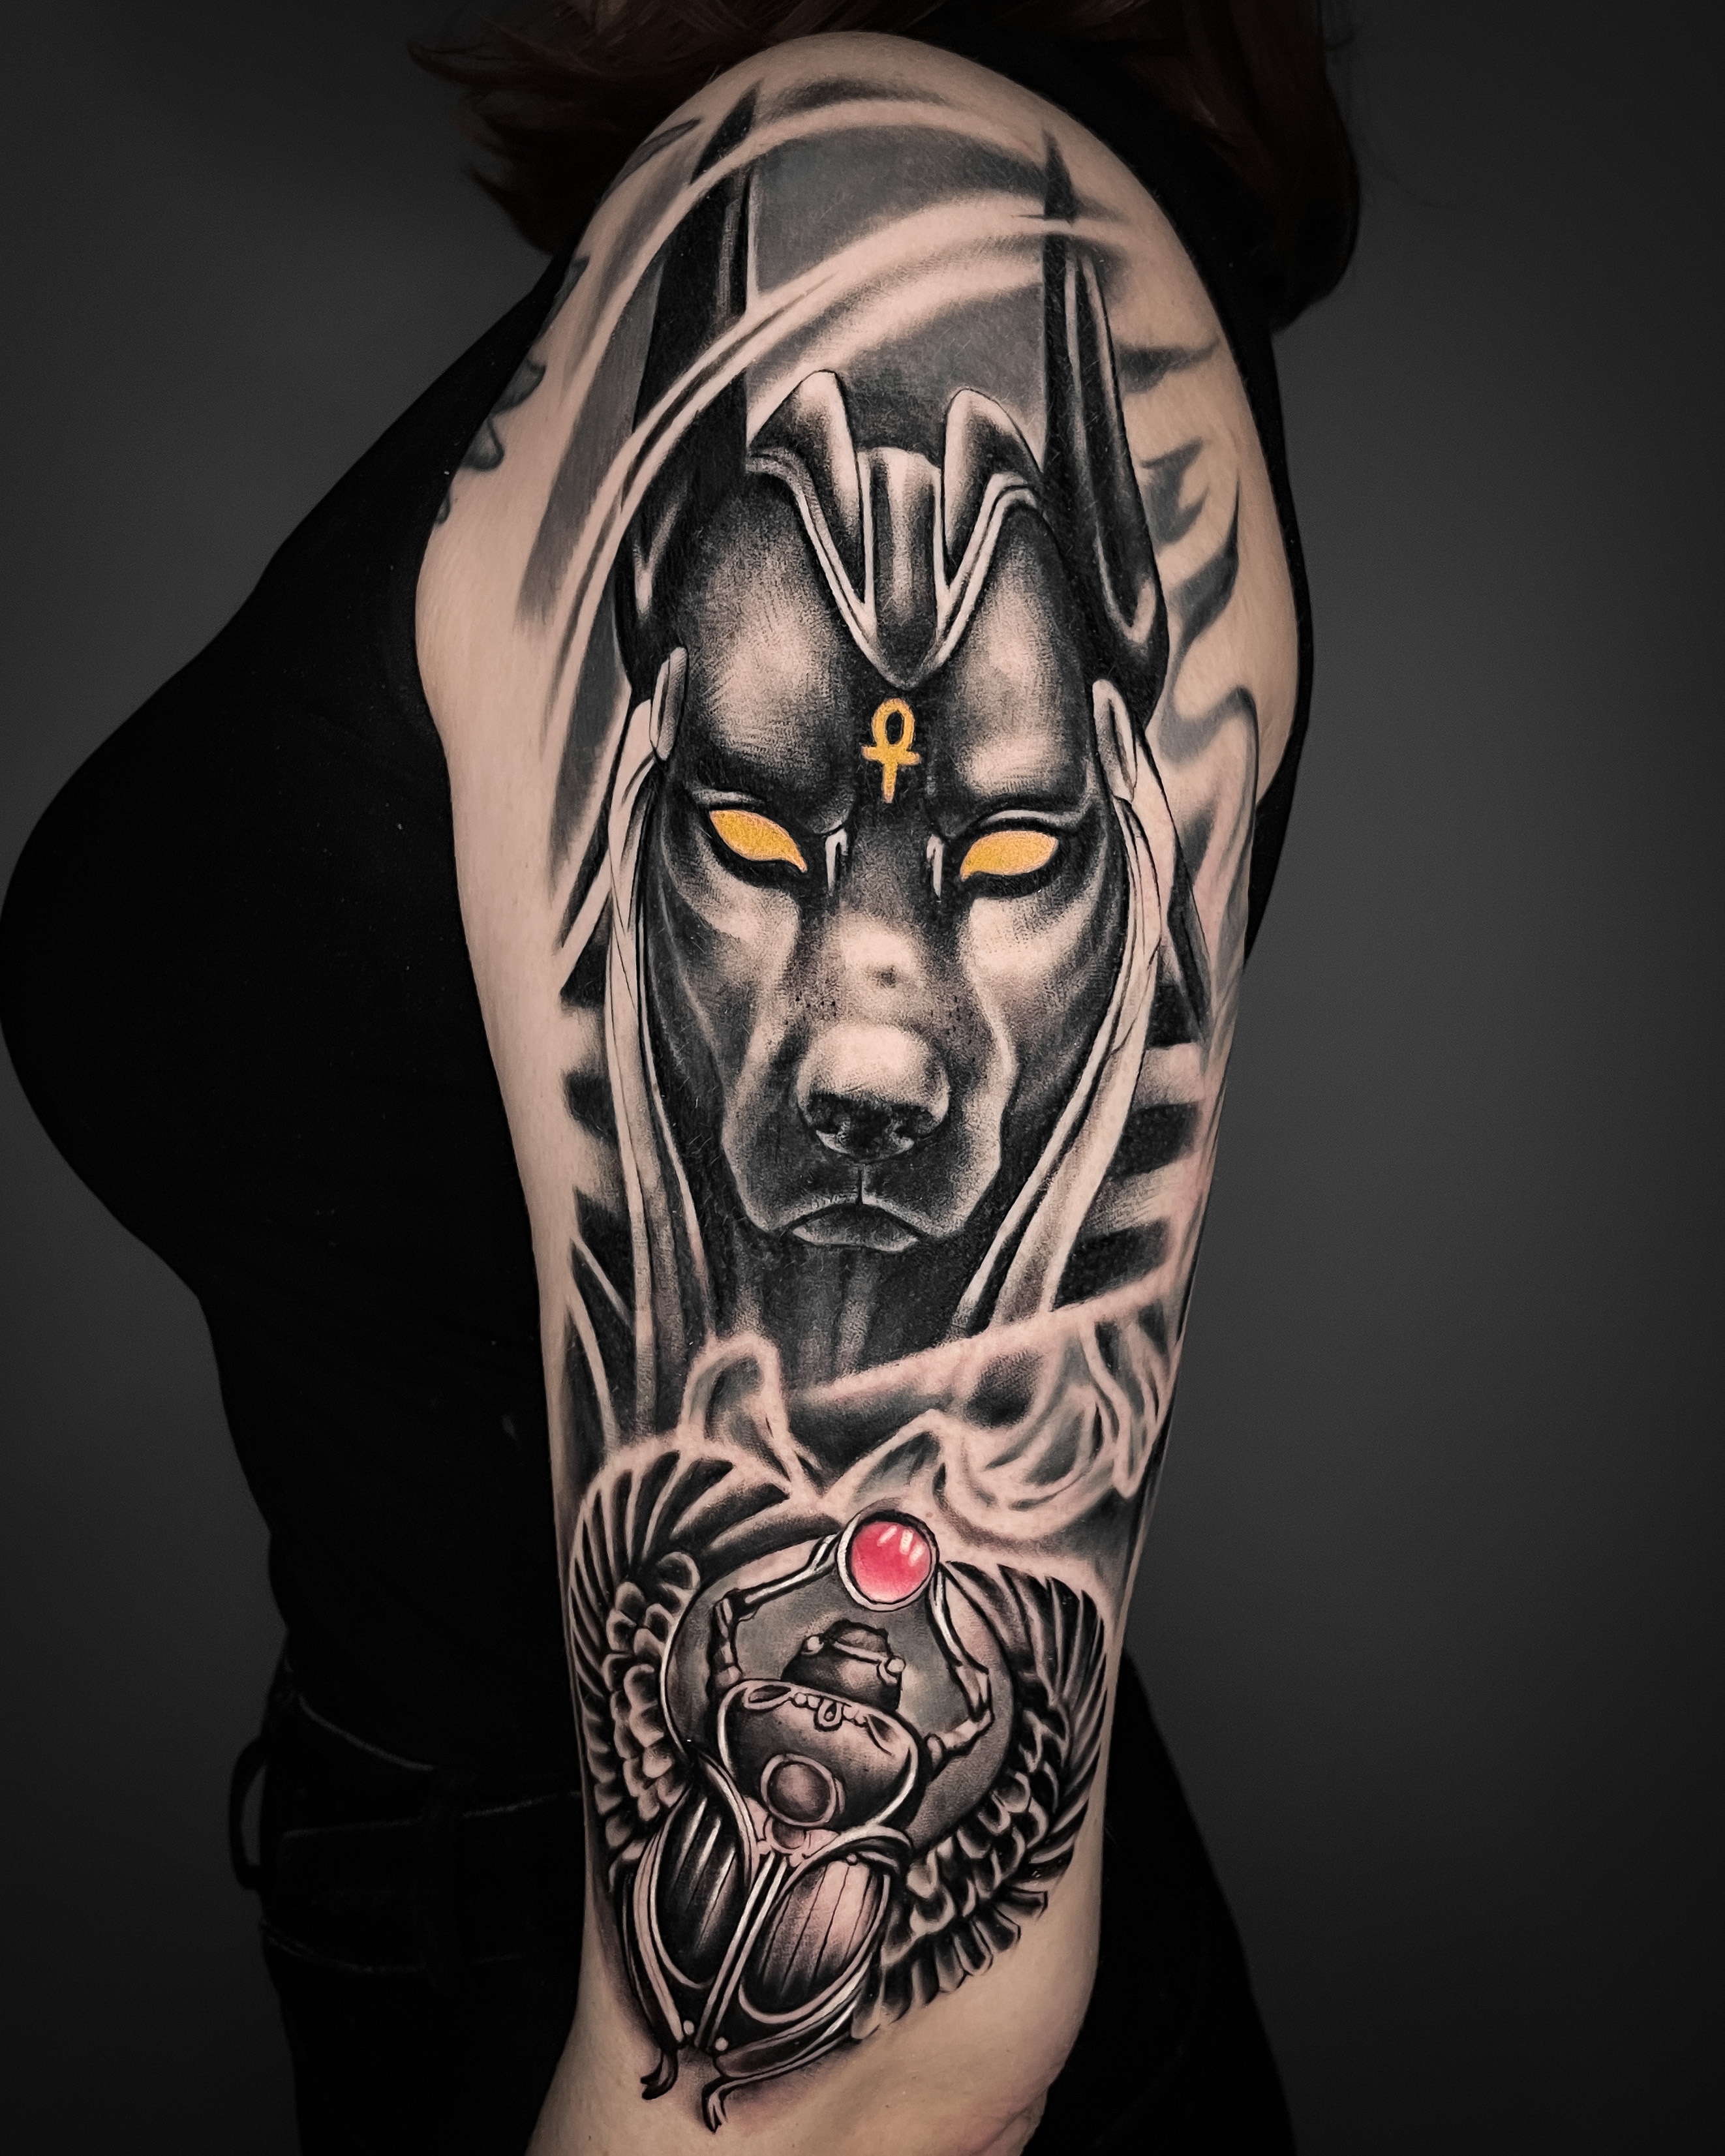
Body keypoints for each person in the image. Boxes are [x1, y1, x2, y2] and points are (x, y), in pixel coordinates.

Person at [0, 4, 1356, 2150]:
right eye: (742, 829)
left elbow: (869, 2057)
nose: (876, 1052)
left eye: (1013, 855)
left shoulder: (880, 208)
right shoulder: (877, 215)